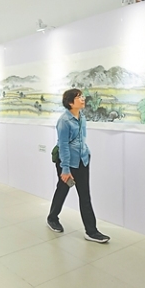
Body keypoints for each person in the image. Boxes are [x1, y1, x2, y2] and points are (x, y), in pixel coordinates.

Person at [46, 88, 110, 243]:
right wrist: (65, 169)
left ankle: (91, 231)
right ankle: (52, 218)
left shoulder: (82, 117)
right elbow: (63, 145)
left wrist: (86, 153)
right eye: (79, 97)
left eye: (82, 96)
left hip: (82, 161)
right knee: (62, 191)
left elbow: (81, 138)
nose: (83, 99)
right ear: (70, 102)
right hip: (67, 163)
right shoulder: (64, 121)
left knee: (85, 196)